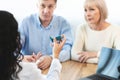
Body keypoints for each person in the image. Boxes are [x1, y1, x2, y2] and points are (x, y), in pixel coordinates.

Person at [0, 10, 66, 80]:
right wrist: (55, 56)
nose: (46, 11)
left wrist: (20, 59)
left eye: (50, 6)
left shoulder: (62, 22)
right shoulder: (26, 70)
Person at [19, 0, 73, 70]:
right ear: (37, 5)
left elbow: (68, 50)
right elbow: (14, 49)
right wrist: (22, 57)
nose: (46, 11)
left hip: (54, 68)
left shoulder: (63, 24)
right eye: (42, 6)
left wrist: (51, 58)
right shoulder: (25, 22)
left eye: (50, 6)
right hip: (29, 68)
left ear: (55, 6)